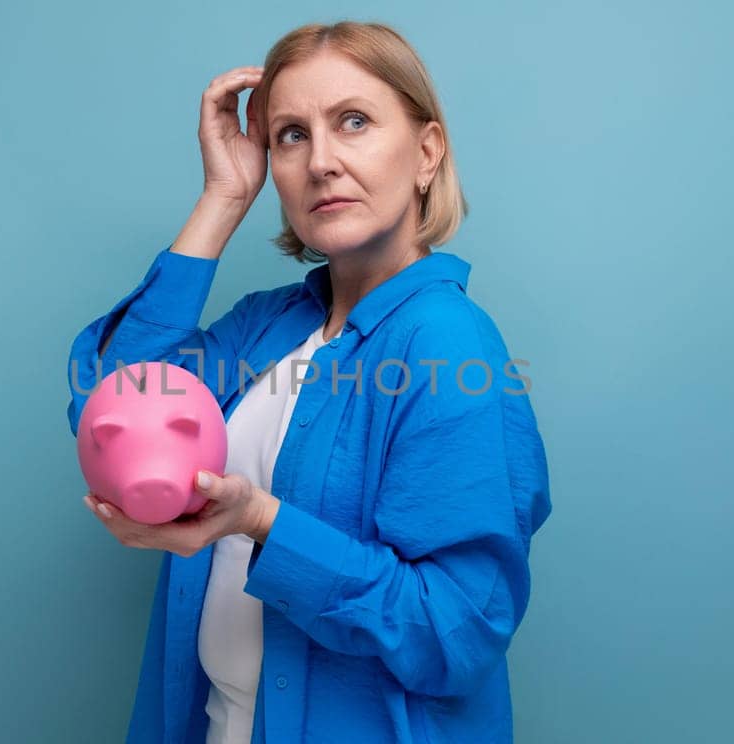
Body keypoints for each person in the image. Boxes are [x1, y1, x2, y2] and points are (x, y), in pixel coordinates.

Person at [65, 20, 552, 744]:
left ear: (426, 152)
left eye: (353, 122)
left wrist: (262, 523)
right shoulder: (271, 326)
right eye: (292, 134)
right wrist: (224, 197)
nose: (321, 161)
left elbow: (455, 632)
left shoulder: (447, 343)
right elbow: (112, 402)